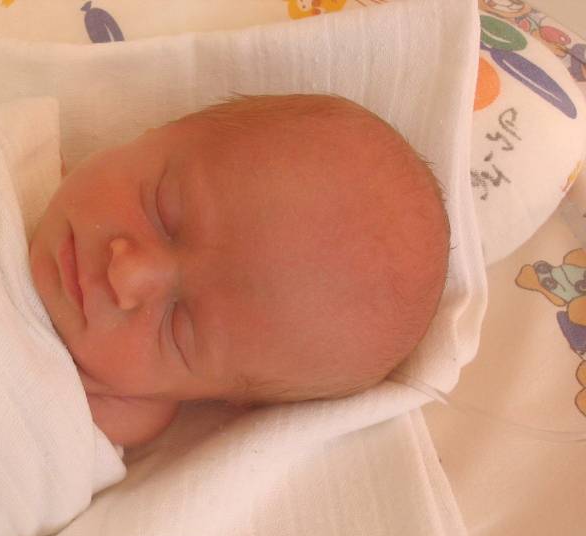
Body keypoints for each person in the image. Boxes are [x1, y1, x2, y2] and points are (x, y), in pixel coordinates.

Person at [29, 94, 450, 447]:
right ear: (157, 133)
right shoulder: (23, 151)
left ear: (205, 396)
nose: (128, 276)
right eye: (163, 211)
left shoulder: (112, 411)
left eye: (178, 328)